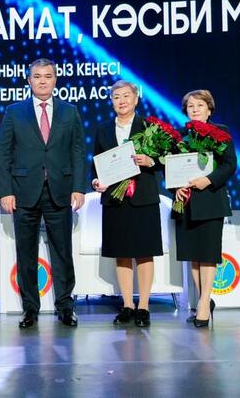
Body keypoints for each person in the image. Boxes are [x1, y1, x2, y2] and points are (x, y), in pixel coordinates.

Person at [0, 58, 86, 329]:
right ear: (29, 80)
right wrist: (5, 191)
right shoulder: (14, 112)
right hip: (24, 191)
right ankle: (30, 309)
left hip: (60, 190)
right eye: (37, 76)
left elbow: (78, 151)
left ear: (55, 80)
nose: (43, 81)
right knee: (26, 252)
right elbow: (4, 153)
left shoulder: (70, 111)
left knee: (63, 252)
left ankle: (65, 307)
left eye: (48, 76)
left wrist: (78, 187)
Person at [91, 80, 163, 328]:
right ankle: (127, 304)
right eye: (116, 97)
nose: (121, 101)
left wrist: (151, 161)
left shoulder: (149, 127)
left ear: (135, 99)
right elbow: (96, 163)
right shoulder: (103, 129)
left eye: (126, 96)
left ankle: (143, 306)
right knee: (121, 252)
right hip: (115, 198)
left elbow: (165, 159)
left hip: (143, 197)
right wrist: (96, 181)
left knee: (144, 252)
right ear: (111, 101)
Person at [173, 90, 236, 328]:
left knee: (208, 253)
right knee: (193, 255)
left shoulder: (221, 132)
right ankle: (204, 300)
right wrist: (175, 188)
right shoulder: (179, 135)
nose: (195, 109)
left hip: (210, 198)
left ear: (209, 109)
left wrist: (208, 180)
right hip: (186, 201)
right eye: (191, 106)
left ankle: (202, 305)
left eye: (200, 105)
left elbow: (229, 165)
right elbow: (170, 167)